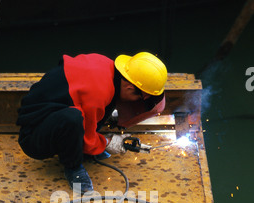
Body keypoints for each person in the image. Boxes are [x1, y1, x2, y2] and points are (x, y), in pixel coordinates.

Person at [17, 52, 167, 193]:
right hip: (34, 136)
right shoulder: (99, 93)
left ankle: (81, 150)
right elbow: (87, 137)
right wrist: (108, 142)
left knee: (97, 108)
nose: (137, 102)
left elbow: (87, 106)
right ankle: (73, 167)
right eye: (139, 98)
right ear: (129, 87)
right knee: (73, 118)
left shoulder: (108, 67)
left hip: (55, 113)